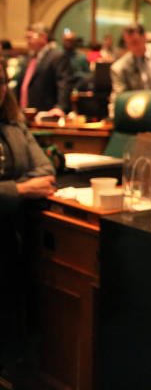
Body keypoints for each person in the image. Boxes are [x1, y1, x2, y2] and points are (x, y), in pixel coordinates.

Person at [0, 59, 57, 369]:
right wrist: (20, 190)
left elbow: (45, 169)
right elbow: (32, 181)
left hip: (12, 236)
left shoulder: (11, 121)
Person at [12, 23, 73, 117]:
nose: (27, 41)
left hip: (46, 112)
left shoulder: (57, 56)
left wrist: (60, 107)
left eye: (30, 37)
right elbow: (21, 84)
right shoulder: (28, 58)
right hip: (23, 112)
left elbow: (64, 83)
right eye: (26, 38)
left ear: (43, 37)